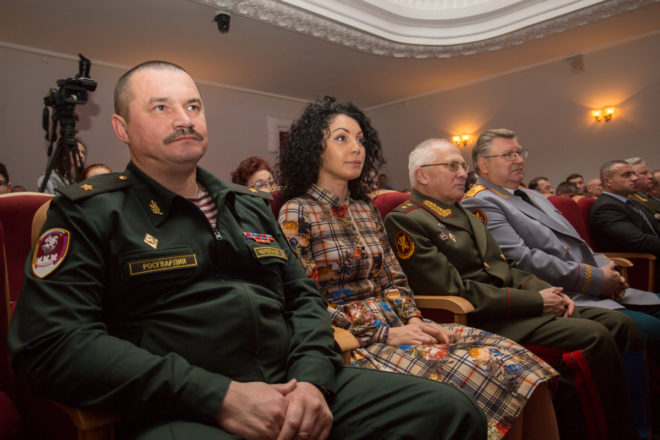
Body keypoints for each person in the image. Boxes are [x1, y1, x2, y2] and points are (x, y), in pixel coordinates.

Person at [8, 61, 487, 440]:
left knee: (449, 411)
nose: (184, 119)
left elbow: (304, 300)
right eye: (160, 108)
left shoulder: (248, 207)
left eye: (193, 106)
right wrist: (218, 396)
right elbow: (50, 346)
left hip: (295, 383)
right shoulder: (89, 212)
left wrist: (312, 381)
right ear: (121, 127)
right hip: (184, 404)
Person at [277, 97, 558, 440]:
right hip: (353, 343)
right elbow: (306, 302)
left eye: (361, 140)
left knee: (521, 362)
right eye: (341, 138)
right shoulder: (297, 212)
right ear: (314, 150)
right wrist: (385, 334)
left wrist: (412, 319)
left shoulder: (365, 209)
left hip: (401, 326)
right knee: (494, 368)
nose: (356, 149)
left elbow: (393, 277)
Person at [384, 138, 644, 440]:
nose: (463, 173)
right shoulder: (407, 220)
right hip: (481, 318)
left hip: (514, 306)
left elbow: (504, 267)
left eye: (463, 166)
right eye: (452, 166)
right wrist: (536, 301)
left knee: (620, 324)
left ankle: (636, 427)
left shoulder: (464, 213)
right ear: (422, 175)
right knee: (594, 337)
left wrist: (550, 292)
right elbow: (455, 291)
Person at [460, 128, 660, 436]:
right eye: (508, 154)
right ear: (483, 165)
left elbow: (578, 244)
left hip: (590, 284)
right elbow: (525, 260)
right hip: (564, 293)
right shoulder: (481, 203)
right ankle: (640, 426)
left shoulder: (532, 195)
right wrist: (597, 279)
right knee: (646, 328)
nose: (518, 160)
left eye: (519, 152)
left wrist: (608, 269)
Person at [590, 160, 660, 257]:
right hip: (640, 262)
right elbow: (639, 241)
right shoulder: (606, 208)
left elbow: (654, 227)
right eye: (627, 175)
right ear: (608, 181)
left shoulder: (627, 201)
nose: (635, 178)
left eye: (634, 174)